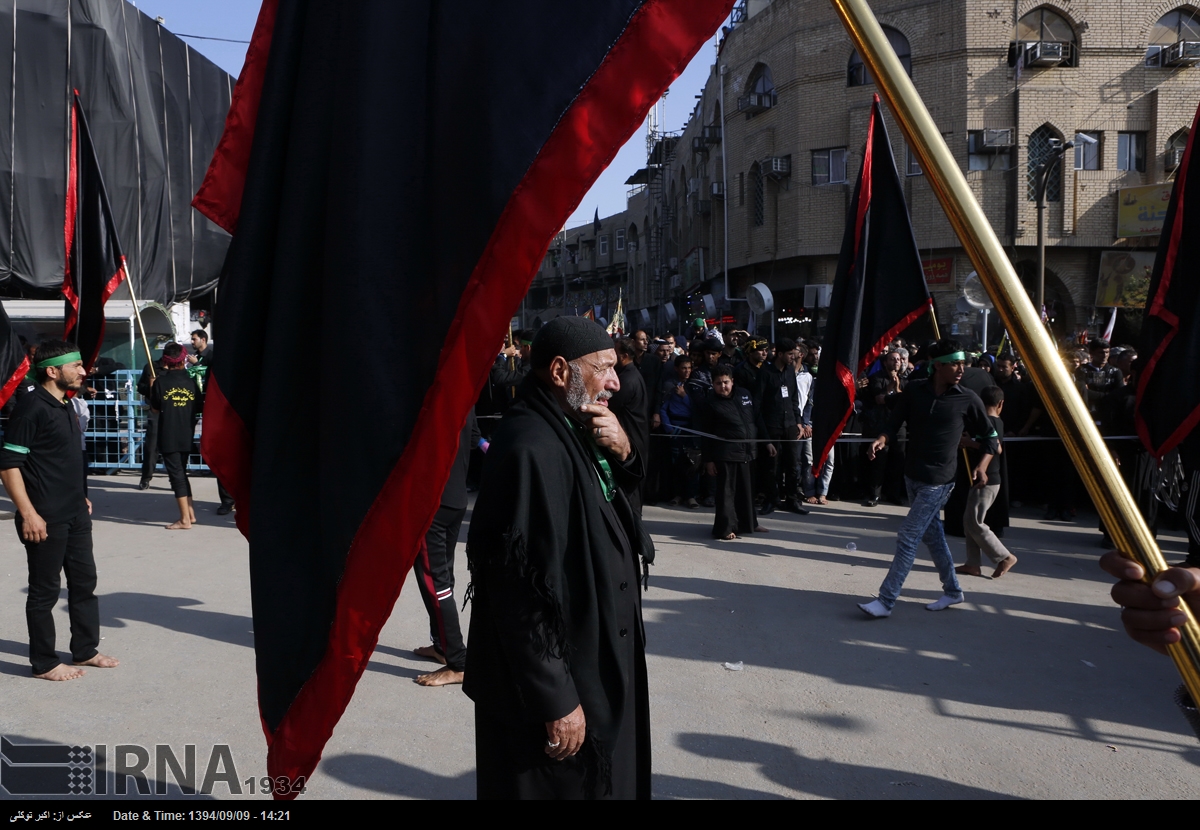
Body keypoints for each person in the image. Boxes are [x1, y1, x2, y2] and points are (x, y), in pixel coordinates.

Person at [464, 315, 652, 800]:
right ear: (560, 371)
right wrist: (556, 698)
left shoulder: (576, 425)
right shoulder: (531, 446)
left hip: (595, 656)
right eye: (603, 368)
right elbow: (514, 590)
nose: (615, 382)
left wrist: (625, 452)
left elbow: (617, 510)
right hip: (558, 683)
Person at [0, 340, 119, 680]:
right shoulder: (31, 407)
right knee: (45, 591)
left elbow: (63, 457)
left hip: (75, 511)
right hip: (45, 516)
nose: (84, 371)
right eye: (76, 366)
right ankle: (44, 663)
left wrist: (80, 495)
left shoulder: (65, 404)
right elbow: (8, 464)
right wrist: (28, 513)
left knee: (84, 583)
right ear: (52, 371)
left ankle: (85, 650)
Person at [858, 339, 998, 618]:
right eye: (955, 364)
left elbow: (991, 439)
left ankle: (886, 601)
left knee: (908, 536)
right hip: (913, 475)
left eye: (963, 363)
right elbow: (893, 423)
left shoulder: (968, 398)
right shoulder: (914, 390)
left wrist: (982, 466)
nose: (961, 369)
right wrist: (882, 439)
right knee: (933, 538)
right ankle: (953, 591)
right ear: (938, 366)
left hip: (940, 480)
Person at [411, 408, 480, 687]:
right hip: (455, 498)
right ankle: (442, 645)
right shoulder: (462, 393)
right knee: (443, 578)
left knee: (436, 583)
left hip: (434, 503)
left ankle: (458, 663)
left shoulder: (428, 394)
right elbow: (474, 438)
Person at [698, 364, 769, 540]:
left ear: (732, 381)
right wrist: (708, 460)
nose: (723, 386)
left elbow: (757, 418)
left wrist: (767, 442)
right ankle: (725, 528)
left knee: (747, 492)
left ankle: (750, 524)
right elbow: (705, 434)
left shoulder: (745, 394)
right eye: (718, 383)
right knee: (726, 493)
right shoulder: (709, 403)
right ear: (713, 384)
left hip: (748, 451)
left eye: (726, 382)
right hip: (725, 454)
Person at [955, 386, 1018, 579]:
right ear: (1001, 404)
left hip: (987, 479)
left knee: (974, 521)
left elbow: (996, 447)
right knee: (969, 521)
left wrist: (970, 443)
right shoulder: (994, 421)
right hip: (983, 478)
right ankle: (973, 563)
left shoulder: (991, 422)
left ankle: (1004, 556)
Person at [150, 343, 202, 530]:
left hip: (169, 434)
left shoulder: (160, 382)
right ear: (182, 360)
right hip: (186, 433)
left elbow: (155, 409)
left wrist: (153, 388)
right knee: (181, 472)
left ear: (166, 361)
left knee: (176, 476)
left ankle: (185, 519)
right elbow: (198, 407)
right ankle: (190, 514)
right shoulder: (191, 382)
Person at [756, 338, 808, 516]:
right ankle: (771, 499)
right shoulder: (765, 373)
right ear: (780, 354)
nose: (794, 357)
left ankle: (792, 500)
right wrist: (765, 436)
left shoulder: (790, 372)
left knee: (793, 464)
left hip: (790, 425)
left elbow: (794, 398)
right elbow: (758, 405)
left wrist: (798, 421)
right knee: (772, 466)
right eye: (790, 354)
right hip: (772, 426)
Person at [136, 353, 167, 490]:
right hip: (155, 410)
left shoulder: (177, 369)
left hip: (172, 411)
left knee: (173, 447)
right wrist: (150, 386)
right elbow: (140, 387)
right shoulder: (151, 367)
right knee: (151, 446)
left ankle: (176, 478)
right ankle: (146, 477)